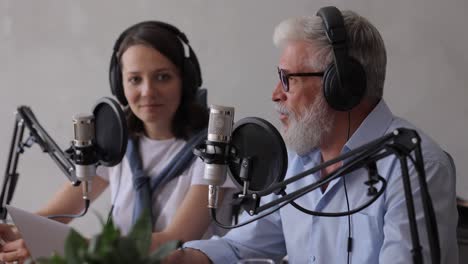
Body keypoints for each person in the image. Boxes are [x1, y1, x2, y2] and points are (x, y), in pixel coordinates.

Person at [164, 6, 458, 264]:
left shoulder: (414, 167)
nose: (276, 94)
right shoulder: (295, 161)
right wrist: (192, 258)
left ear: (342, 86)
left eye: (287, 79)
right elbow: (243, 245)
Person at [0, 21, 234, 263]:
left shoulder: (214, 149)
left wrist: (71, 246)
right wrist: (16, 232)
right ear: (119, 84)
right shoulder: (116, 142)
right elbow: (56, 214)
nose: (148, 92)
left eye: (162, 77)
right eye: (135, 79)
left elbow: (175, 239)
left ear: (185, 80)